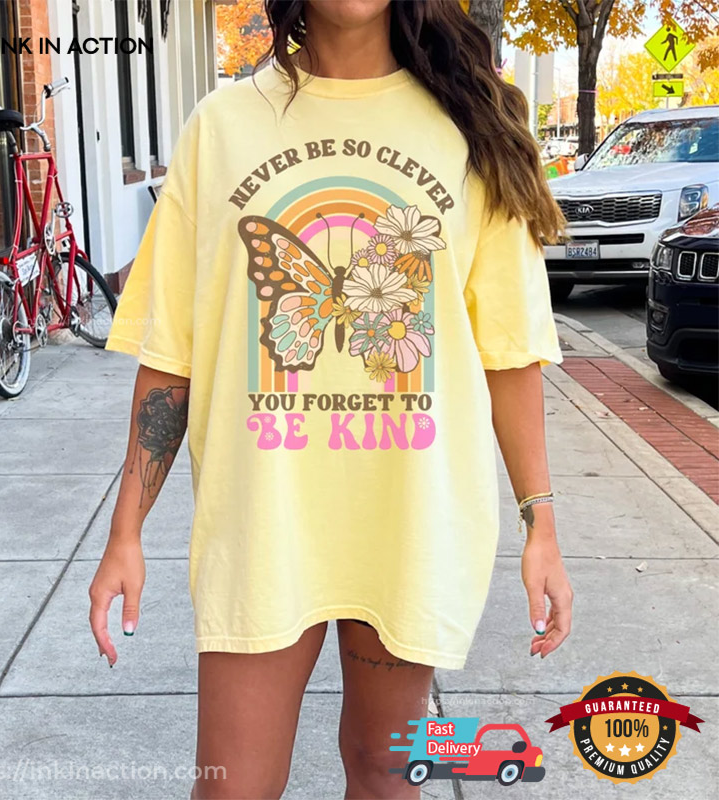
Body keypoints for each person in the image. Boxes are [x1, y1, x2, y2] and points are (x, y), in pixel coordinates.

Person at [89, 1, 573, 797]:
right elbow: (172, 351)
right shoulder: (220, 127)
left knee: (388, 771)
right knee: (231, 787)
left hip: (411, 523)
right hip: (262, 523)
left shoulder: (473, 128)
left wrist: (540, 523)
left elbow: (510, 352)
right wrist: (125, 532)